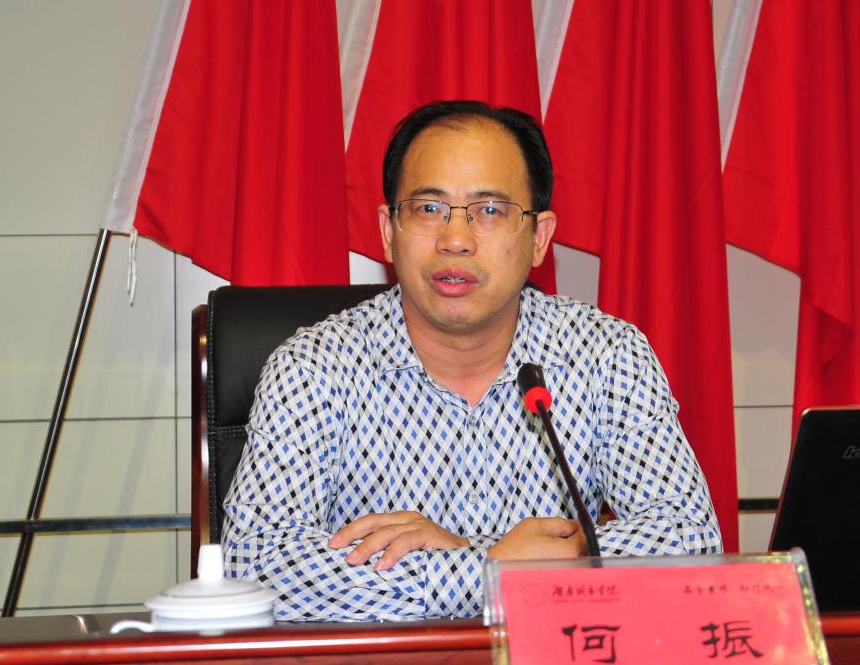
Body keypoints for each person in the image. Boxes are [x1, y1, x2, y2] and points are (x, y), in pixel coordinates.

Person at [222, 100, 721, 621]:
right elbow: (253, 563)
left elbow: (692, 539)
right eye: (428, 209)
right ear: (389, 231)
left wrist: (466, 555)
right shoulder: (314, 367)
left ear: (539, 238)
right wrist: (488, 568)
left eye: (490, 211)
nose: (455, 240)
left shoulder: (605, 355)